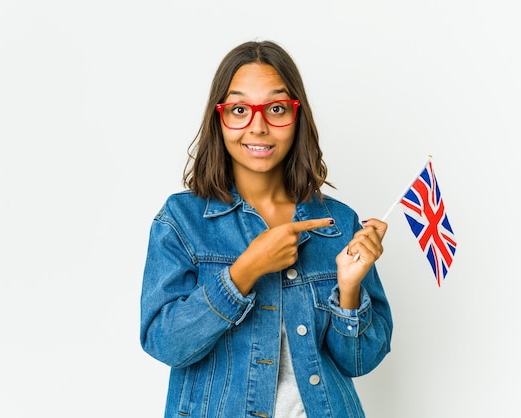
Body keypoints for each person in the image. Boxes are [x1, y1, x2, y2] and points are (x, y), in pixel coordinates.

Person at [140, 40, 393, 418]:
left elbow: (361, 361)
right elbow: (165, 343)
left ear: (296, 116)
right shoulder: (182, 221)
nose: (257, 127)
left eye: (276, 109)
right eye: (240, 109)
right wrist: (247, 269)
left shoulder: (338, 223)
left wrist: (350, 289)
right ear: (219, 118)